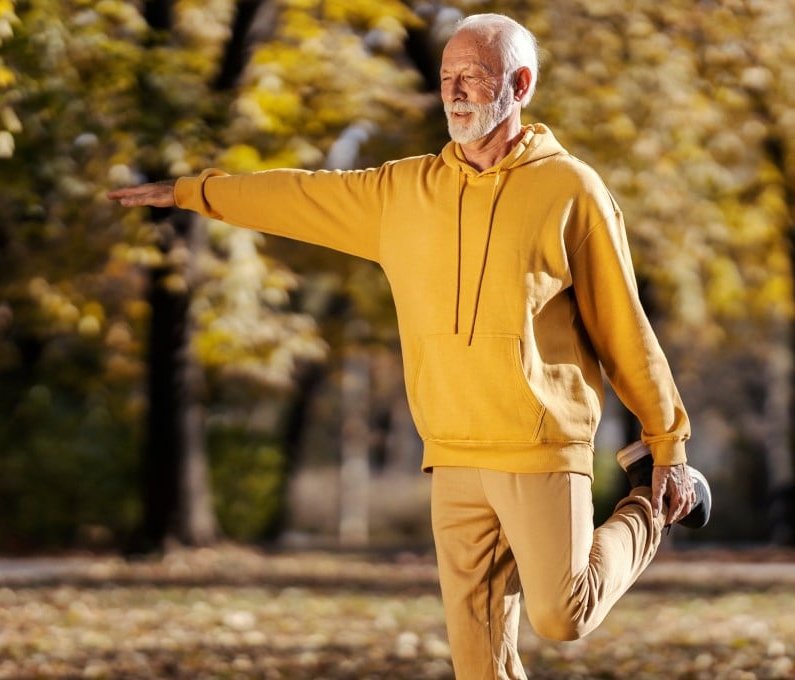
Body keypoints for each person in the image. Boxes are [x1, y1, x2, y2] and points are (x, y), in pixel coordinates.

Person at [109, 13, 711, 679]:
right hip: (450, 453)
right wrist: (193, 192)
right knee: (479, 666)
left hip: (537, 444)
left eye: (473, 77)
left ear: (521, 83)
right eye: (448, 77)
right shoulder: (403, 191)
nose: (454, 92)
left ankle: (649, 510)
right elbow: (296, 194)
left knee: (561, 615)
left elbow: (622, 325)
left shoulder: (570, 189)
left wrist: (669, 448)